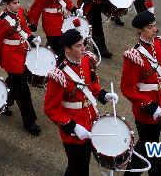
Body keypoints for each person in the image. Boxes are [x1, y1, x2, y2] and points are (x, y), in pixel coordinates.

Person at [120, 10, 161, 176]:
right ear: (140, 30)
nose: (154, 29)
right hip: (146, 109)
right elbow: (127, 88)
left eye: (155, 26)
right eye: (150, 27)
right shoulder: (134, 56)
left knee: (147, 145)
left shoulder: (158, 44)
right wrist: (148, 105)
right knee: (151, 147)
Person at [44, 26, 118, 176]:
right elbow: (51, 109)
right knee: (80, 168)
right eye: (78, 46)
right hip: (73, 128)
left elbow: (92, 84)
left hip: (90, 120)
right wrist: (72, 126)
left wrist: (103, 94)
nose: (83, 48)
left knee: (76, 166)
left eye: (83, 44)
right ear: (67, 49)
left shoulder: (86, 61)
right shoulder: (59, 76)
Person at [0, 0, 42, 135]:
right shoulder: (1, 20)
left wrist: (32, 38)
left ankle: (4, 102)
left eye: (18, 2)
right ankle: (29, 120)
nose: (17, 5)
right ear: (7, 4)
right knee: (22, 89)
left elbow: (24, 29)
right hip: (10, 56)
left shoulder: (18, 12)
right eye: (14, 3)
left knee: (13, 82)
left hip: (21, 52)